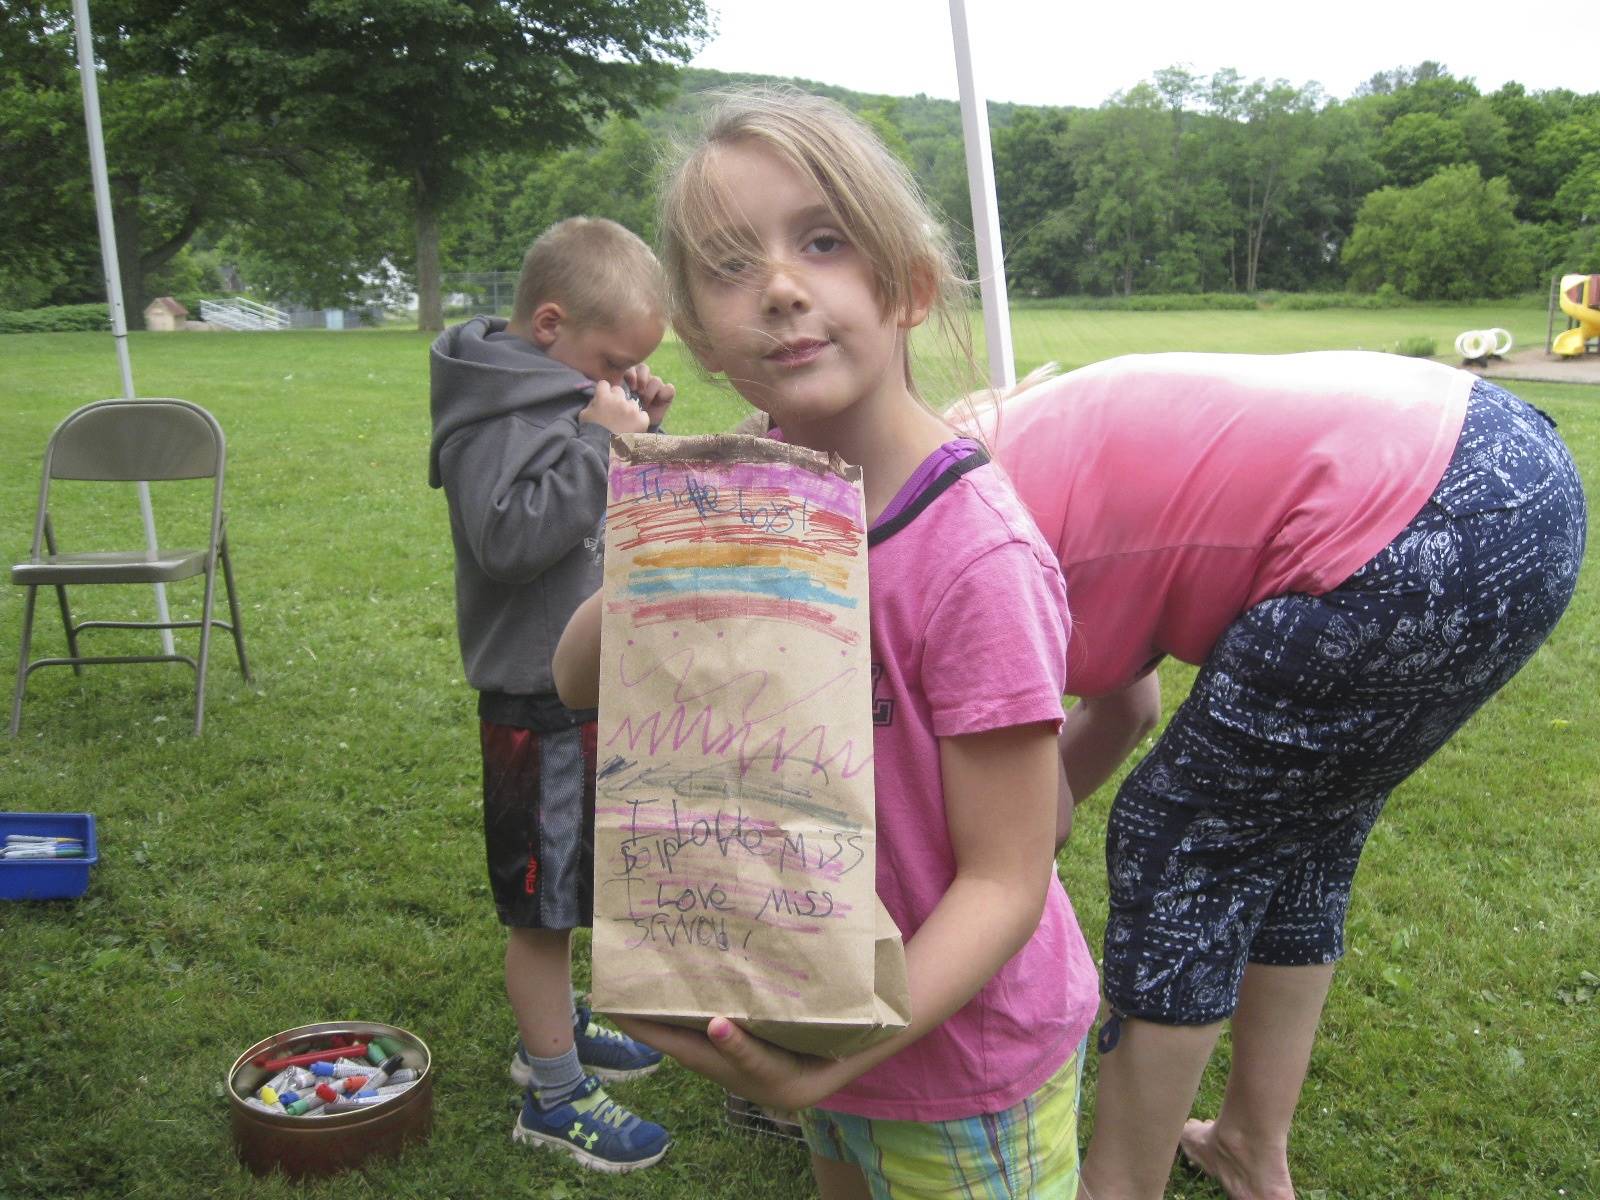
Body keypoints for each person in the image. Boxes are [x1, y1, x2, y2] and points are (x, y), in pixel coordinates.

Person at [552, 88, 1101, 1198]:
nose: (781, 287)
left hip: (955, 1058)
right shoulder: (740, 502)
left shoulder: (971, 558)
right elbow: (573, 680)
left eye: (822, 241)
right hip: (805, 1004)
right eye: (726, 263)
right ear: (698, 335)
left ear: (906, 283)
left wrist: (841, 1057)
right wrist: (674, 547)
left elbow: (1006, 876)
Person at [974, 351, 1588, 1199]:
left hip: (1411, 517)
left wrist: (977, 872)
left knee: (1180, 840)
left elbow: (1031, 819)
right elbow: (1126, 707)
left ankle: (1116, 1189)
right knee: (1303, 832)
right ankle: (1248, 1146)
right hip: (1518, 478)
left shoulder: (961, 549)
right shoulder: (988, 455)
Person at [427, 216, 679, 1172]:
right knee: (540, 911)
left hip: (581, 691)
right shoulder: (496, 416)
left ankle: (557, 1027)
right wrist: (597, 442)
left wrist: (630, 416)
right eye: (615, 360)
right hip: (532, 702)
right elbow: (509, 540)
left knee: (570, 884)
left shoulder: (567, 394)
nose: (618, 379)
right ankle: (553, 1091)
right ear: (548, 324)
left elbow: (603, 483)